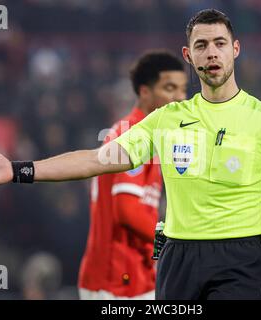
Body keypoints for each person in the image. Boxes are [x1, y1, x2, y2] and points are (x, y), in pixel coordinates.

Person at [0, 9, 261, 300]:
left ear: (235, 49)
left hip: (238, 258)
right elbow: (96, 160)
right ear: (188, 56)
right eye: (201, 45)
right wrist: (18, 170)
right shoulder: (168, 119)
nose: (211, 53)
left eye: (219, 43)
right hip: (177, 259)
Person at [79, 51, 187, 300]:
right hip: (116, 280)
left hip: (134, 274)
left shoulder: (152, 134)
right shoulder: (132, 134)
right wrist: (176, 239)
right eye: (170, 88)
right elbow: (127, 209)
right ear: (145, 92)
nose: (180, 98)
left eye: (182, 89)